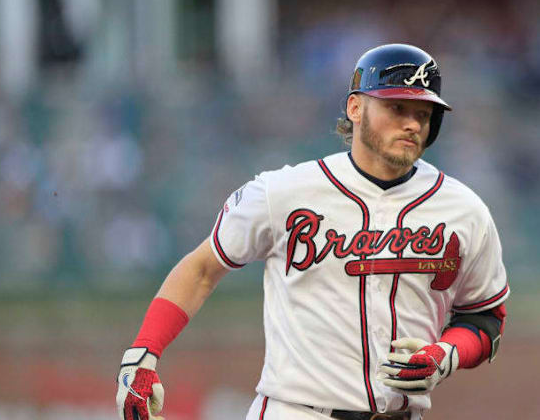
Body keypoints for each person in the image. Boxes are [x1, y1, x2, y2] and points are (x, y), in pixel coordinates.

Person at [116, 43, 510, 420]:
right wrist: (143, 354)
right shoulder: (284, 192)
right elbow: (202, 268)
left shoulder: (463, 210)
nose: (411, 123)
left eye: (423, 113)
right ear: (356, 107)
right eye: (396, 107)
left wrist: (446, 355)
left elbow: (485, 317)